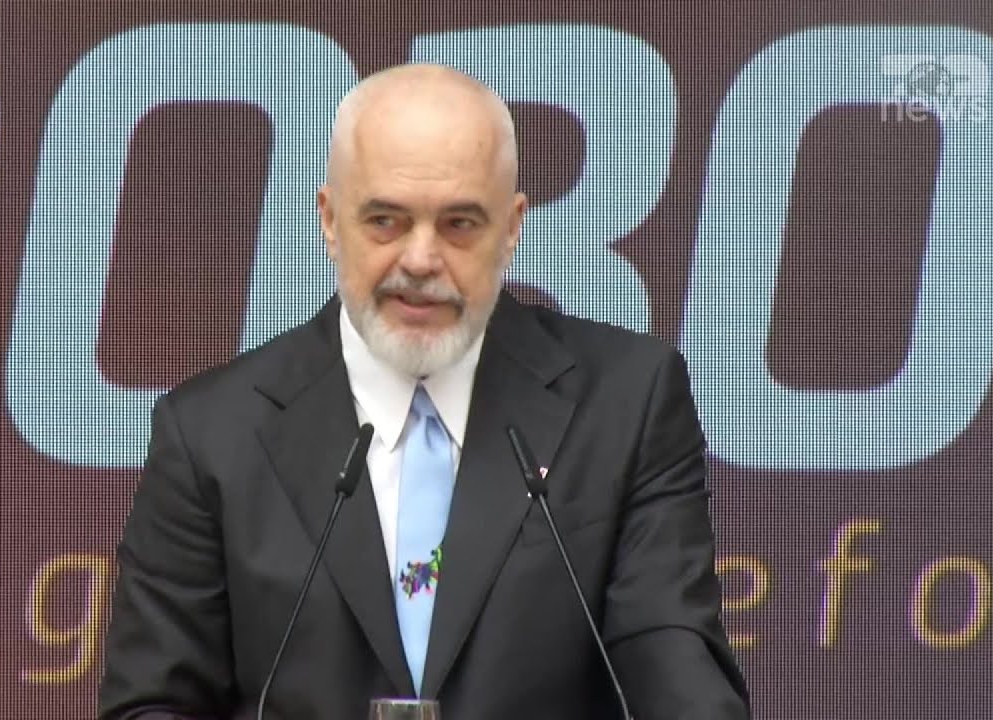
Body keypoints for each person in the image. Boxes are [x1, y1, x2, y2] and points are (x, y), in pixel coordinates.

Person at [99, 64, 749, 720]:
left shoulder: (626, 402)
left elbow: (678, 678)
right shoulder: (212, 433)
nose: (420, 259)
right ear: (330, 220)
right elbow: (153, 703)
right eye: (386, 220)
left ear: (512, 228)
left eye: (460, 224)